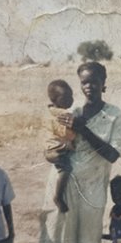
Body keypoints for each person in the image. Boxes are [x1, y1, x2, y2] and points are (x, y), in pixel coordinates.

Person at [39, 62, 121, 243]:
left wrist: (84, 129)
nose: (88, 86)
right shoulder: (70, 111)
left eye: (94, 81)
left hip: (93, 194)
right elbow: (50, 145)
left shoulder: (115, 116)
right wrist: (52, 154)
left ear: (103, 81)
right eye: (84, 82)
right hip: (65, 191)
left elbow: (113, 155)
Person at [44, 79, 75, 213]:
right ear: (56, 99)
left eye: (71, 96)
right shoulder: (64, 115)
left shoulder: (50, 110)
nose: (71, 100)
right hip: (56, 150)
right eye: (67, 97)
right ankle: (58, 197)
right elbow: (68, 134)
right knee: (66, 168)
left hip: (48, 149)